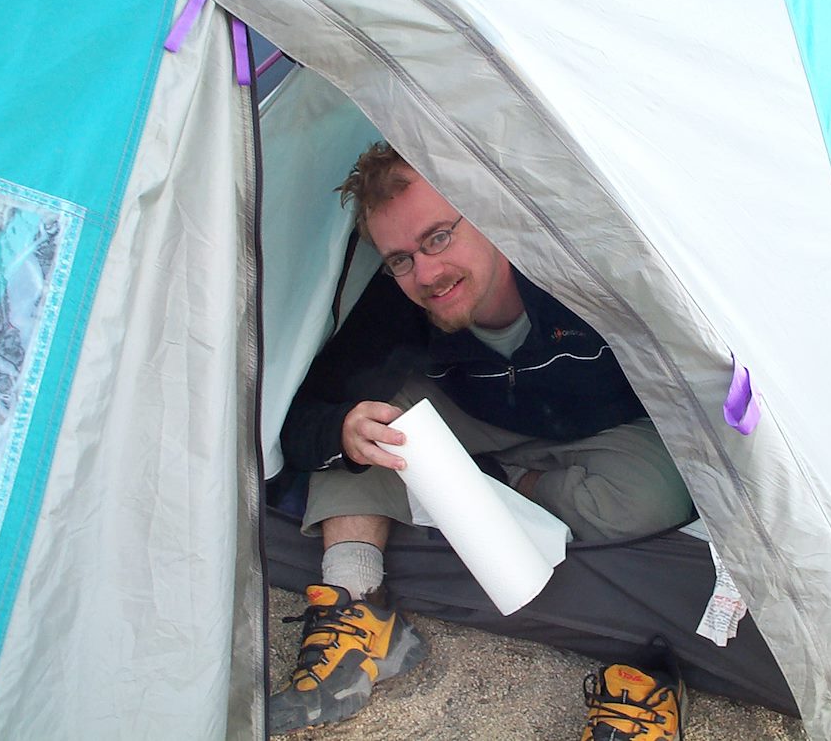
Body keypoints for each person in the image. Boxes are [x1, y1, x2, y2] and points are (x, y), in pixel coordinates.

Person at [269, 142, 694, 736]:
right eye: (399, 259)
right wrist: (342, 429)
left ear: (490, 212)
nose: (426, 274)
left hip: (605, 426)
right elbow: (303, 413)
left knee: (660, 499)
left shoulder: (581, 271)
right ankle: (357, 604)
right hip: (473, 414)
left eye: (439, 236)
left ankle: (483, 487)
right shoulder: (397, 303)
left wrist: (487, 479)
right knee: (364, 427)